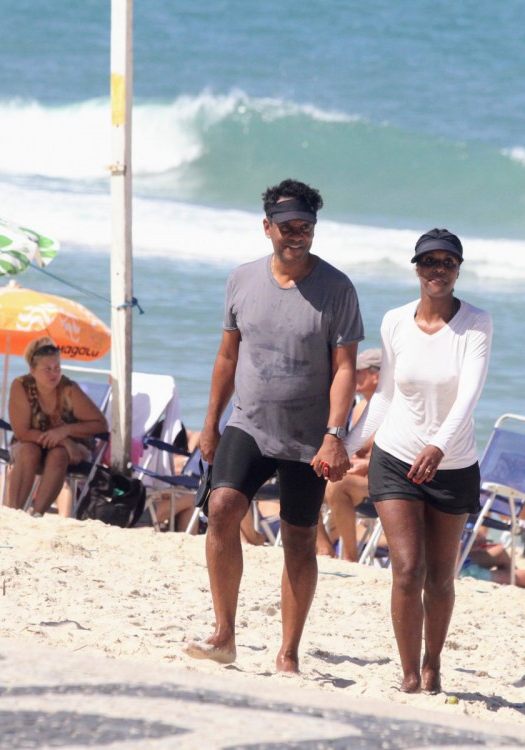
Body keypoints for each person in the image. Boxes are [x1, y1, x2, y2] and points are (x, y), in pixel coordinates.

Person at [186, 179, 363, 674]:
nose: (297, 236)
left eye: (305, 227)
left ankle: (288, 651)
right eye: (288, 227)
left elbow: (345, 367)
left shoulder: (337, 288)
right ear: (267, 228)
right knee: (221, 507)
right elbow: (227, 355)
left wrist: (335, 434)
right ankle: (224, 632)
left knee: (300, 536)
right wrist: (211, 422)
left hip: (310, 437)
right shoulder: (241, 280)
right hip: (249, 422)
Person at [349, 227, 491, 693]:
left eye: (447, 263)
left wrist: (440, 446)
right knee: (407, 568)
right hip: (396, 458)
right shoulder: (394, 321)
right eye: (429, 262)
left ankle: (433, 663)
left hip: (452, 465)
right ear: (416, 268)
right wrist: (348, 445)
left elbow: (468, 397)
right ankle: (410, 675)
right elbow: (386, 397)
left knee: (440, 576)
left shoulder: (476, 324)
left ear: (457, 269)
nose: (438, 270)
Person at [5, 336, 108, 517]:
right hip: (29, 444)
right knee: (30, 451)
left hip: (69, 451)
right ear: (33, 370)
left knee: (59, 455)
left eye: (57, 368)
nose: (54, 374)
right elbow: (22, 433)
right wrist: (65, 441)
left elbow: (101, 424)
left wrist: (65, 432)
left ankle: (37, 514)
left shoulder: (68, 389)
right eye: (47, 369)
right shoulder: (21, 386)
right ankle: (14, 515)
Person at [316, 346, 381, 561]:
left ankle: (350, 557)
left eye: (360, 371)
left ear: (377, 375)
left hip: (381, 480)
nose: (353, 375)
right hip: (359, 479)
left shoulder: (393, 407)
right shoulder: (362, 407)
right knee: (306, 481)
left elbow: (396, 451)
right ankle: (323, 545)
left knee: (337, 486)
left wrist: (368, 463)